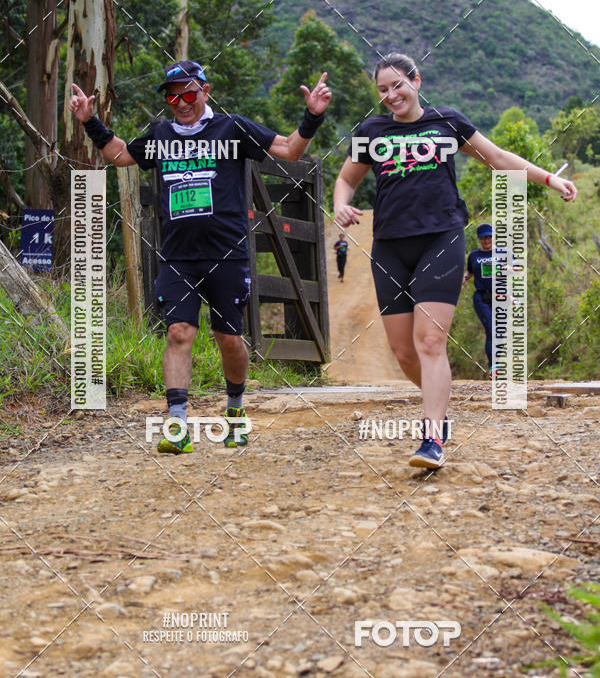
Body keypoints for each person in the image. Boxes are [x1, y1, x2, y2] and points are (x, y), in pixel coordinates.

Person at [69, 60, 331, 453]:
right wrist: (91, 122)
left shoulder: (232, 128)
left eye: (189, 93)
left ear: (205, 92)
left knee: (228, 337)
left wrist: (311, 116)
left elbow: (290, 149)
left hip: (227, 255)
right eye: (173, 95)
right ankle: (176, 425)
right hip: (178, 257)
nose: (181, 102)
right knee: (178, 333)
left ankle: (236, 411)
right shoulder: (160, 134)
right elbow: (121, 155)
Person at [333, 52, 577, 470]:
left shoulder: (447, 122)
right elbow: (346, 179)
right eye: (383, 90)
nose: (392, 95)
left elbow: (498, 158)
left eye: (398, 85)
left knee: (429, 341)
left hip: (440, 239)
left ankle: (431, 439)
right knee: (403, 351)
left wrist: (550, 178)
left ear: (416, 80)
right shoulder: (371, 131)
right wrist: (341, 205)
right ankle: (440, 412)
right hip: (390, 245)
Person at [463, 223, 496, 378]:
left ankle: (496, 365)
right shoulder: (474, 255)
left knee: (498, 333)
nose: (486, 240)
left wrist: (505, 269)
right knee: (491, 328)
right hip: (481, 298)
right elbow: (469, 272)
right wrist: (462, 279)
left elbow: (517, 268)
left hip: (500, 297)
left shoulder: (502, 253)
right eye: (483, 238)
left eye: (489, 236)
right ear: (479, 239)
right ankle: (493, 367)